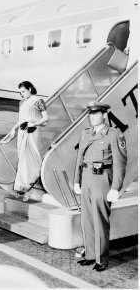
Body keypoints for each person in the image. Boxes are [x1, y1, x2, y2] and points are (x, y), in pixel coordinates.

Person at [74, 101, 127, 272]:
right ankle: (90, 255)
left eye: (96, 114)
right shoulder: (86, 134)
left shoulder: (114, 134)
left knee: (100, 221)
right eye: (90, 114)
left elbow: (120, 163)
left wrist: (115, 188)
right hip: (87, 178)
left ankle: (101, 259)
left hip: (102, 180)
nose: (92, 117)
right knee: (87, 220)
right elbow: (80, 160)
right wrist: (77, 181)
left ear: (104, 115)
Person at [8, 81, 48, 200]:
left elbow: (46, 118)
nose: (22, 94)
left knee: (33, 156)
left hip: (33, 131)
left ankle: (32, 180)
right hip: (22, 131)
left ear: (30, 89)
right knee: (22, 157)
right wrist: (13, 128)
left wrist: (33, 123)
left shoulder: (38, 101)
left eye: (23, 91)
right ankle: (22, 184)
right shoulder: (22, 103)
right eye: (20, 92)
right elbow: (21, 120)